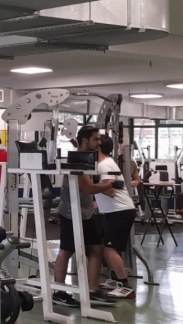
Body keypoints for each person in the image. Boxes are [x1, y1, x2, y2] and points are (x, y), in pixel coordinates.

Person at [53, 126, 116, 307]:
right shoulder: (76, 161)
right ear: (84, 141)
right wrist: (110, 184)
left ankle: (92, 290)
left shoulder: (90, 160)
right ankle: (59, 292)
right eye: (96, 139)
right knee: (66, 251)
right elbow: (87, 187)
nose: (99, 143)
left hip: (87, 213)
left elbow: (91, 185)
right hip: (70, 213)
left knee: (96, 250)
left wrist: (106, 189)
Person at [94, 135, 137, 300]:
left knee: (110, 249)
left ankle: (125, 286)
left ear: (98, 147)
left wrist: (89, 184)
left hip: (120, 211)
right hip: (114, 211)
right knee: (106, 247)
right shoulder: (105, 163)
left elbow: (110, 191)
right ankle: (114, 280)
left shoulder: (104, 165)